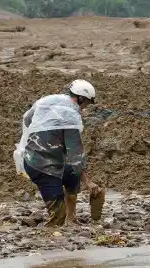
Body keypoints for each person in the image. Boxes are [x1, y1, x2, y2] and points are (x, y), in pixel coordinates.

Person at [14, 79, 99, 226]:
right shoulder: (71, 118)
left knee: (72, 173)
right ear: (80, 99)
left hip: (42, 161)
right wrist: (88, 182)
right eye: (86, 104)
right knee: (58, 217)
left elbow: (28, 120)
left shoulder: (48, 101)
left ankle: (72, 218)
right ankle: (49, 235)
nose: (85, 108)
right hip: (40, 167)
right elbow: (75, 156)